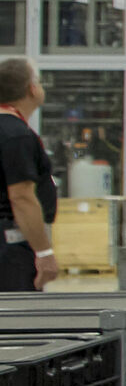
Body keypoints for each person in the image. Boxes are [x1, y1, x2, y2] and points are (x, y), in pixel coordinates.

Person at [0, 59, 55, 291]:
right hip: (9, 249)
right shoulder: (16, 135)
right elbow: (21, 197)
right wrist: (44, 252)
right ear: (32, 89)